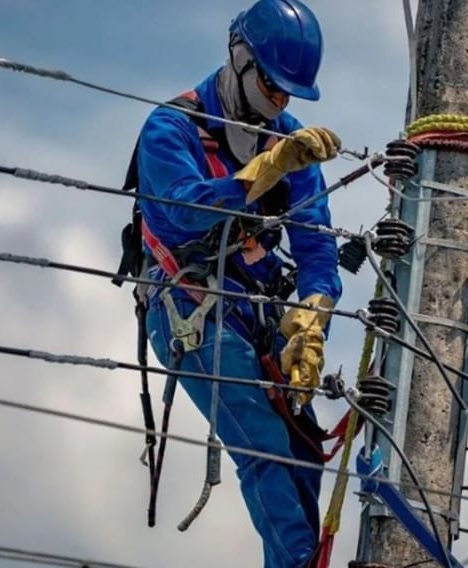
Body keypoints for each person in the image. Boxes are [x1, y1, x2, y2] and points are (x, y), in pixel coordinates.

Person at [121, 1, 343, 566]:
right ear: (240, 60)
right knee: (265, 448)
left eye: (289, 94)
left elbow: (315, 241)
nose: (280, 103)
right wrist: (263, 173)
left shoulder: (289, 139)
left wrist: (313, 313)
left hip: (256, 309)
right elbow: (182, 213)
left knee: (303, 453)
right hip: (188, 307)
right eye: (273, 87)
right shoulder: (171, 128)